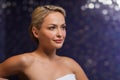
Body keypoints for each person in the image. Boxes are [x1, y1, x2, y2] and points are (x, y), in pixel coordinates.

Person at [0, 5, 88, 80]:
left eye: (63, 27)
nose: (60, 34)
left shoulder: (70, 64)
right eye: (52, 28)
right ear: (36, 32)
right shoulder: (25, 61)